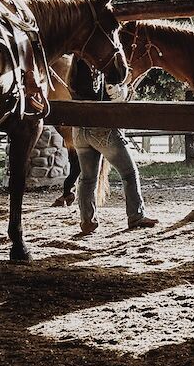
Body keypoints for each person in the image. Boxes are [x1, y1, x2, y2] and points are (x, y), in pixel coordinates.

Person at [67, 57, 158, 235]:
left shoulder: (73, 75)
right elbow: (116, 97)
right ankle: (136, 215)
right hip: (102, 130)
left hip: (79, 130)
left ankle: (87, 221)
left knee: (87, 179)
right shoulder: (101, 71)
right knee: (129, 173)